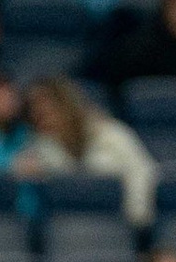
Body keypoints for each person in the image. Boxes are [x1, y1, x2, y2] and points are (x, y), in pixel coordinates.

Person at [20, 75, 157, 224]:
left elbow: (143, 173)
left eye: (49, 112)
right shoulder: (37, 148)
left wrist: (134, 218)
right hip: (66, 226)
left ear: (67, 107)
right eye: (37, 115)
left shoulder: (111, 134)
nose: (44, 120)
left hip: (119, 224)